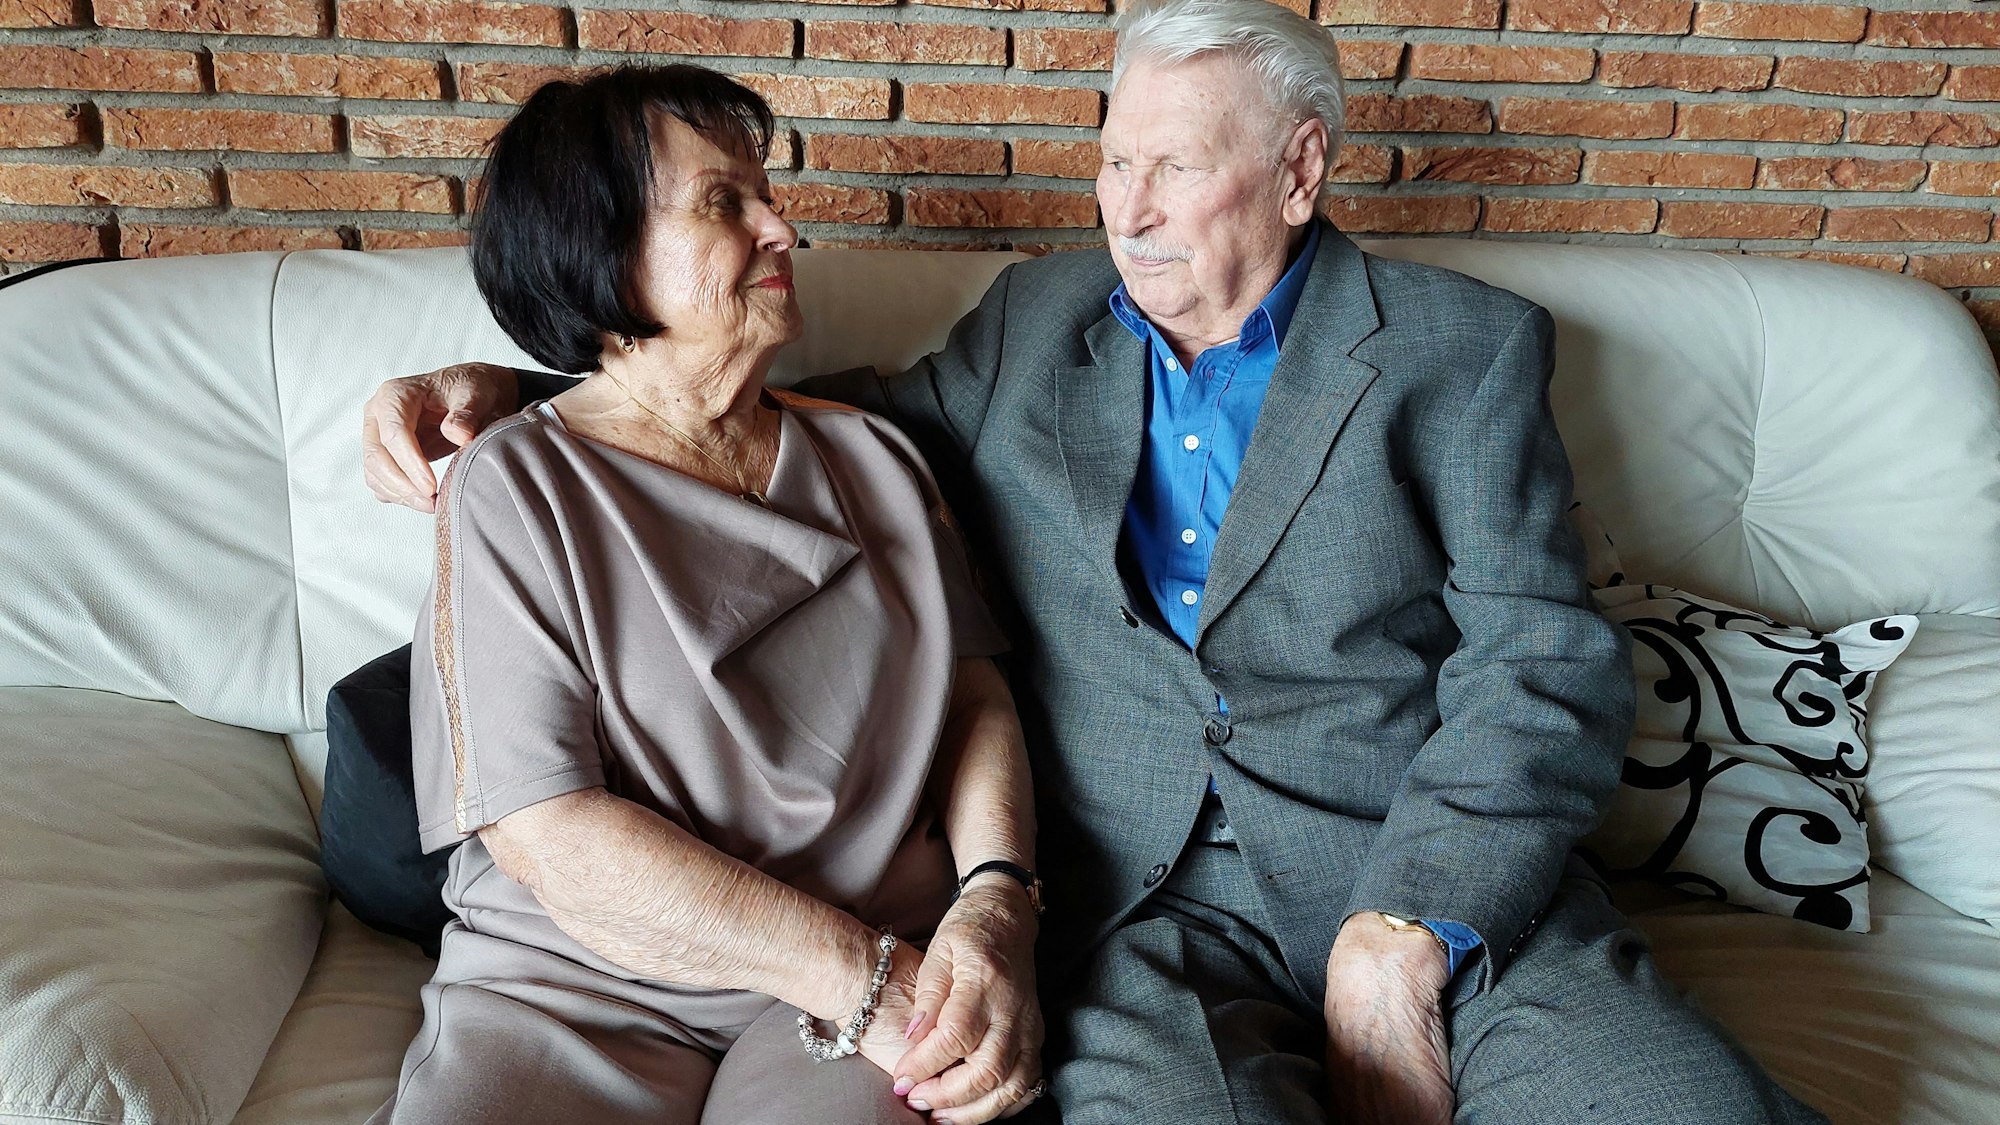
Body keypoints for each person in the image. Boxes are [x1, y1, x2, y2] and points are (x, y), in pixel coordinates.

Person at [362, 2, 1832, 1122]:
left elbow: (1544, 661)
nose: (1124, 206)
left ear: (1299, 170)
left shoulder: (1460, 351)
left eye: (1172, 169)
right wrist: (520, 386)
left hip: (1410, 873)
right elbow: (752, 426)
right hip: (1132, 911)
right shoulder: (1034, 323)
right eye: (1113, 159)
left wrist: (1411, 927)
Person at [370, 64, 1047, 1125]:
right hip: (581, 986)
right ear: (601, 250)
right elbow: (549, 833)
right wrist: (862, 981)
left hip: (868, 958)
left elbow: (973, 701)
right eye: (722, 203)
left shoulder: (873, 454)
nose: (780, 227)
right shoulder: (517, 484)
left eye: (765, 193)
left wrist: (997, 896)